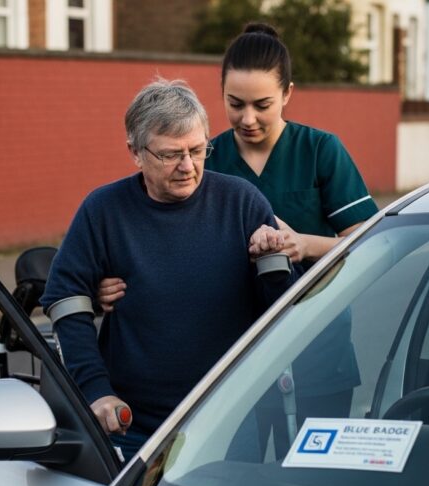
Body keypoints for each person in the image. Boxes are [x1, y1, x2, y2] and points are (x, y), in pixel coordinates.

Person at [96, 24, 377, 458]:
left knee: (310, 482)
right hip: (231, 364)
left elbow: (371, 242)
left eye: (262, 104)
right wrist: (110, 286)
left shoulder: (321, 151)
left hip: (316, 347)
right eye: (235, 104)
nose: (248, 118)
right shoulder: (206, 155)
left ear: (287, 94)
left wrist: (304, 245)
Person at [40, 78, 296, 462]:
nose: (187, 166)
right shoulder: (103, 210)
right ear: (135, 152)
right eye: (170, 155)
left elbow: (283, 313)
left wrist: (270, 262)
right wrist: (96, 391)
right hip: (133, 426)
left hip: (230, 419)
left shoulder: (242, 202)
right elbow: (64, 297)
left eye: (197, 149)